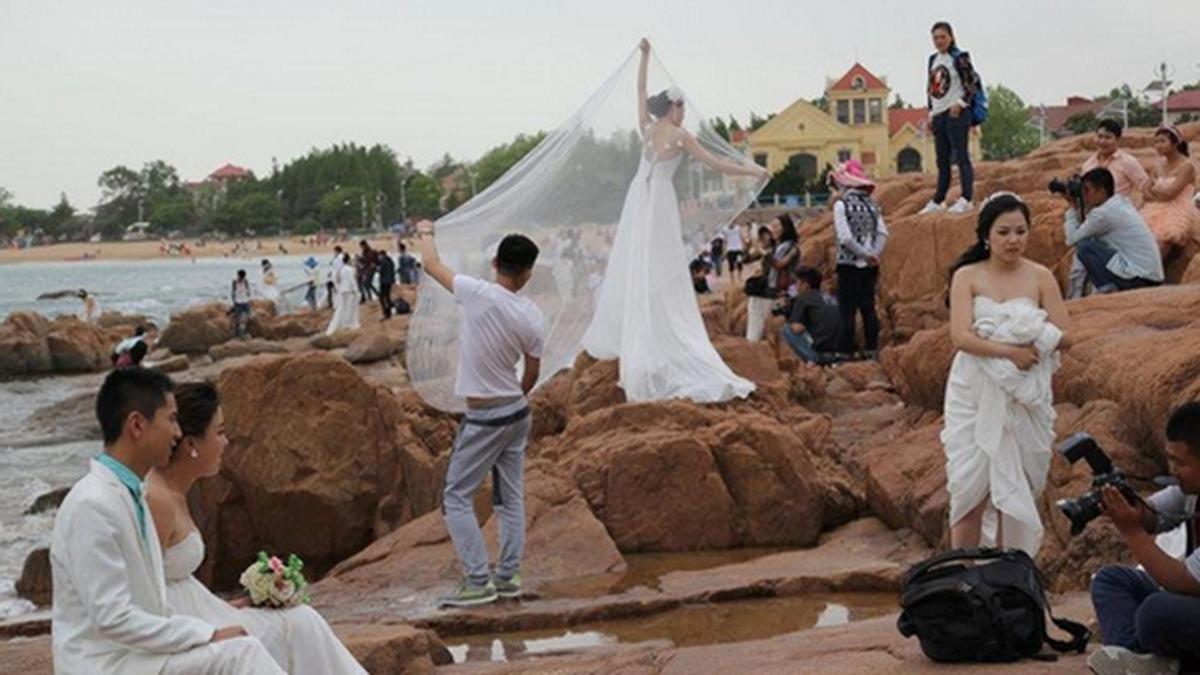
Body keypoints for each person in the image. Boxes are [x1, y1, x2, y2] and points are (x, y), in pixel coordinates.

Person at [51, 368, 285, 674]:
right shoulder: (92, 505)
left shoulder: (130, 493)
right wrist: (206, 633)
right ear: (137, 425)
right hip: (106, 664)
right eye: (171, 419)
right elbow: (112, 617)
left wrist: (213, 621)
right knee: (241, 654)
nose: (177, 433)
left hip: (139, 656)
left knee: (247, 642)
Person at [579, 38, 766, 403]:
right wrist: (752, 172)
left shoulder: (649, 129)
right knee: (660, 262)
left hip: (641, 198)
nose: (684, 113)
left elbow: (640, 89)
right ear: (674, 108)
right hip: (657, 199)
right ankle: (657, 332)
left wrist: (644, 57)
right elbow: (716, 163)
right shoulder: (678, 136)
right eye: (681, 107)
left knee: (643, 262)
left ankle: (645, 329)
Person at [145, 382, 367, 674]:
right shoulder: (155, 499)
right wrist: (207, 630)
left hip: (202, 610)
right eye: (220, 433)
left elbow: (176, 575)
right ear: (191, 446)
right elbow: (145, 592)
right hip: (181, 628)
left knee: (302, 620)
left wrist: (227, 605)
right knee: (281, 633)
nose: (226, 443)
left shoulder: (177, 490)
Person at [411, 219, 545, 608]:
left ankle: (477, 580)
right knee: (510, 498)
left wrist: (425, 232)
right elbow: (532, 371)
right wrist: (514, 398)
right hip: (517, 414)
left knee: (455, 497)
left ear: (494, 262)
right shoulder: (532, 315)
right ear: (527, 273)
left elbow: (432, 264)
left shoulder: (477, 292)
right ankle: (507, 576)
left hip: (485, 417)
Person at [942, 192, 1071, 555]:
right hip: (975, 387)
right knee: (969, 487)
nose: (1013, 240)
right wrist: (1009, 351)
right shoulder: (967, 276)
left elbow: (1067, 334)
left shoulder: (1041, 276)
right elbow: (961, 336)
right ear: (986, 235)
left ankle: (1007, 583)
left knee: (1014, 489)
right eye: (1004, 232)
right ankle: (962, 580)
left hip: (1022, 393)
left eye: (1020, 231)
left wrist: (1034, 336)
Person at [1088, 402, 1200, 674]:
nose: (1172, 469)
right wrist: (1121, 501)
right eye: (1169, 459)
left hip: (1190, 592)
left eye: (1180, 462)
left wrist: (1131, 532)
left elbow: (1184, 581)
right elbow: (1152, 515)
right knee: (1110, 580)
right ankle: (1139, 660)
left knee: (1157, 612)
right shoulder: (1191, 490)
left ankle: (1165, 664)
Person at [1068, 120, 1153, 298]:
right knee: (1078, 267)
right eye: (1100, 136)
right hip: (1094, 221)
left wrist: (1137, 210)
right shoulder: (1089, 164)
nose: (1103, 141)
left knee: (1104, 263)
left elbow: (1145, 187)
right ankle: (1073, 302)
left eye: (1108, 137)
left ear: (1117, 139)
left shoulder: (1128, 162)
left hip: (1117, 225)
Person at [1064, 168, 1164, 294]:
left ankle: (1106, 289)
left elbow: (1072, 239)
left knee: (1085, 246)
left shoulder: (1104, 214)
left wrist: (1072, 209)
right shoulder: (1119, 203)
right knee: (1092, 242)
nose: (1084, 195)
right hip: (1151, 276)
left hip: (1139, 279)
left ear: (1101, 192)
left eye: (1087, 191)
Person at [919, 21, 982, 216]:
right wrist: (930, 113)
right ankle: (939, 199)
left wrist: (962, 103)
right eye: (935, 37)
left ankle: (966, 198)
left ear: (951, 37)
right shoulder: (933, 60)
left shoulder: (959, 57)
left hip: (956, 113)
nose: (939, 41)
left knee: (961, 156)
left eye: (942, 37)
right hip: (938, 114)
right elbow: (931, 89)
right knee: (942, 159)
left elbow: (972, 84)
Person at [832, 160, 889, 360]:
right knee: (868, 308)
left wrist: (862, 254)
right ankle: (872, 349)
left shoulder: (841, 204)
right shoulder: (873, 205)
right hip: (869, 266)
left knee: (846, 310)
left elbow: (845, 237)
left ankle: (845, 351)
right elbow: (883, 233)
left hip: (848, 264)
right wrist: (873, 254)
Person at [1141, 125, 1199, 261]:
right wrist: (1156, 193)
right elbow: (1144, 189)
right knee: (1142, 237)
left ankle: (1152, 273)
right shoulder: (1158, 164)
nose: (1158, 146)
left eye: (1162, 141)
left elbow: (1171, 193)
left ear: (1175, 143)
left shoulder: (1187, 166)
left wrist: (1153, 192)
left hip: (1178, 209)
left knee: (1162, 239)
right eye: (1156, 142)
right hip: (1155, 207)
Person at [781, 267, 841, 365]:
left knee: (787, 329)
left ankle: (814, 360)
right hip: (841, 351)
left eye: (797, 283)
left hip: (822, 353)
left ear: (805, 285)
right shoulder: (829, 297)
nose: (796, 287)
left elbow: (796, 328)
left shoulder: (803, 298)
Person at [744, 225, 778, 342]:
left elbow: (777, 264)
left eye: (766, 235)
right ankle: (753, 341)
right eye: (761, 236)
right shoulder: (764, 250)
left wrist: (762, 251)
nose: (764, 238)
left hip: (770, 291)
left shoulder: (777, 250)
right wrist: (750, 246)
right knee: (755, 318)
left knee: (758, 319)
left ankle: (753, 342)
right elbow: (746, 259)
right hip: (764, 290)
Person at [324, 253, 361, 335]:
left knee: (343, 308)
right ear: (348, 260)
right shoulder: (349, 269)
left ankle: (343, 323)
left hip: (343, 290)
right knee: (349, 307)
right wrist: (356, 290)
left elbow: (338, 280)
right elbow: (352, 280)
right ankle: (348, 323)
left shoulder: (341, 269)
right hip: (349, 290)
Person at [231, 270, 252, 339]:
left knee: (247, 318)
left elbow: (248, 291)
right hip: (238, 302)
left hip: (245, 302)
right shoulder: (234, 282)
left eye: (240, 276)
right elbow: (233, 292)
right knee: (237, 319)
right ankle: (237, 334)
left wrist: (249, 299)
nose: (239, 277)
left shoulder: (246, 282)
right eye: (239, 276)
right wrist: (234, 302)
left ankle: (244, 333)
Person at [377, 248, 397, 319]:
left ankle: (386, 313)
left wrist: (377, 268)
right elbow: (392, 272)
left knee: (382, 298)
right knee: (387, 297)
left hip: (384, 282)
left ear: (381, 255)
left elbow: (381, 271)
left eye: (379, 256)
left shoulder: (383, 261)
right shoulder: (390, 261)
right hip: (389, 281)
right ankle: (389, 312)